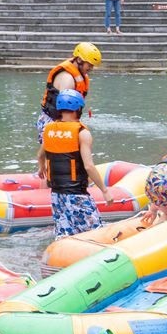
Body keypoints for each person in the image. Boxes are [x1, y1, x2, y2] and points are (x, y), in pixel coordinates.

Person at [39, 91, 107, 234]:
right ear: (78, 108)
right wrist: (105, 191)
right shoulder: (81, 133)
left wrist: (41, 168)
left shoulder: (48, 130)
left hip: (57, 195)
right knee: (95, 233)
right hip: (76, 194)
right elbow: (89, 166)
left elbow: (40, 155)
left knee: (65, 233)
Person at [39, 42, 102, 135]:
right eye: (89, 65)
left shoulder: (79, 74)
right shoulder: (67, 79)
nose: (91, 68)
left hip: (63, 121)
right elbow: (64, 108)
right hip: (53, 122)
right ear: (79, 60)